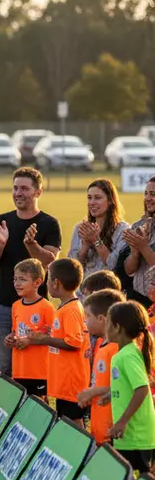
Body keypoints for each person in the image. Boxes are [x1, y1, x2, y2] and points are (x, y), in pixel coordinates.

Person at [0, 167, 61, 375]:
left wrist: (32, 245)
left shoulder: (49, 223)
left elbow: (50, 262)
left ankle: (33, 406)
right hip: (3, 306)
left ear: (38, 192)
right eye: (15, 188)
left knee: (32, 366)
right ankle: (8, 408)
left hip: (35, 308)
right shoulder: (1, 221)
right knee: (5, 366)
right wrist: (1, 243)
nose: (18, 193)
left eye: (25, 188)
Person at [24, 258, 90, 424]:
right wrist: (48, 333)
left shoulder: (71, 310)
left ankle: (83, 451)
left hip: (71, 382)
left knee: (74, 423)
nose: (46, 285)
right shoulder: (65, 307)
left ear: (56, 283)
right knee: (67, 420)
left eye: (48, 280)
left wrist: (44, 340)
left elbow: (74, 342)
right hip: (64, 382)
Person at [107, 300, 155, 475]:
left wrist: (122, 422)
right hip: (129, 436)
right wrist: (111, 395)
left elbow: (142, 388)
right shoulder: (124, 354)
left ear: (117, 327)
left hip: (136, 435)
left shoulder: (127, 356)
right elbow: (131, 386)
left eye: (107, 323)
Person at [76, 289, 124, 447]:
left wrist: (93, 391)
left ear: (102, 319)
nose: (85, 321)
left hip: (113, 429)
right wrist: (92, 394)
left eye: (88, 316)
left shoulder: (116, 349)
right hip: (99, 426)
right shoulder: (99, 344)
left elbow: (124, 387)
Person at [67, 179, 129, 296]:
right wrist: (85, 247)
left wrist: (96, 241)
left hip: (109, 296)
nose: (92, 202)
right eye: (89, 198)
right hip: (83, 295)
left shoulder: (123, 230)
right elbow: (73, 270)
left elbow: (114, 265)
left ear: (110, 200)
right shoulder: (80, 228)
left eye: (98, 198)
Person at [4, 259, 53, 399]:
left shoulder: (46, 307)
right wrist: (10, 338)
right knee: (22, 404)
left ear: (37, 282)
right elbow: (16, 331)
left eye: (23, 279)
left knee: (39, 405)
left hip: (39, 371)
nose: (17, 283)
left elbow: (52, 336)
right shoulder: (16, 306)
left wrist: (29, 341)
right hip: (19, 370)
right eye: (15, 279)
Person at [117, 176, 155, 304]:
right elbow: (129, 270)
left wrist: (143, 247)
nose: (148, 198)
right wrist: (134, 252)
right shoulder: (138, 225)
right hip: (138, 298)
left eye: (153, 194)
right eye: (146, 194)